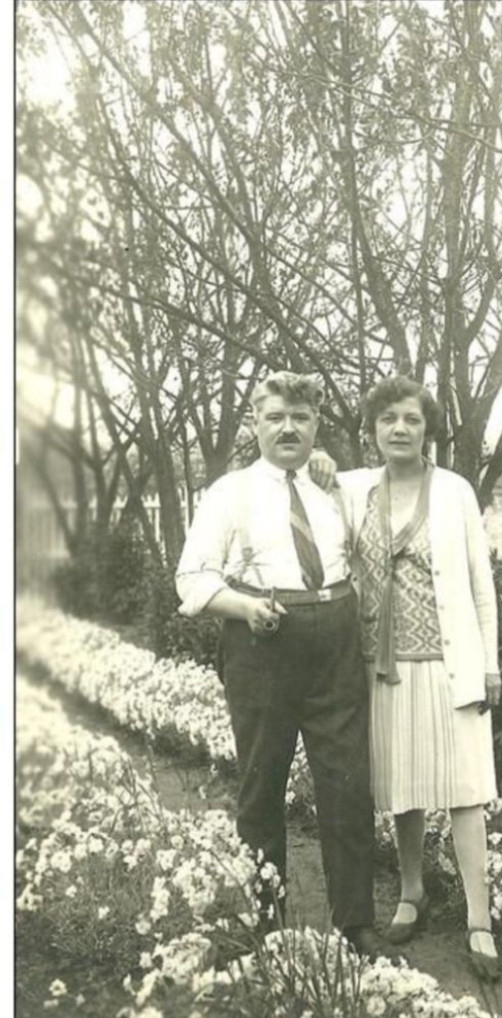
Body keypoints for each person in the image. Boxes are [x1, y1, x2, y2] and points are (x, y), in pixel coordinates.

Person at [175, 371, 390, 960]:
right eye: (275, 418)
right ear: (254, 424)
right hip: (263, 644)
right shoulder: (229, 493)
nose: (288, 428)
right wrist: (245, 608)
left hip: (336, 639)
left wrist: (326, 464)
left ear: (316, 425)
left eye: (300, 418)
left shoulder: (335, 487)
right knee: (261, 785)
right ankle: (262, 923)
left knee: (347, 786)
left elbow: (398, 483)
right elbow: (192, 579)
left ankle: (356, 924)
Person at [319, 375, 502, 980]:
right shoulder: (355, 491)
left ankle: (480, 919)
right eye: (388, 420)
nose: (400, 429)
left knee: (465, 790)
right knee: (403, 788)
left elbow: (481, 585)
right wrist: (317, 457)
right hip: (383, 668)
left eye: (412, 419)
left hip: (450, 667)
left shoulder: (453, 493)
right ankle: (411, 892)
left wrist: (490, 664)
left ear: (428, 431)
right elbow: (307, 478)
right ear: (372, 432)